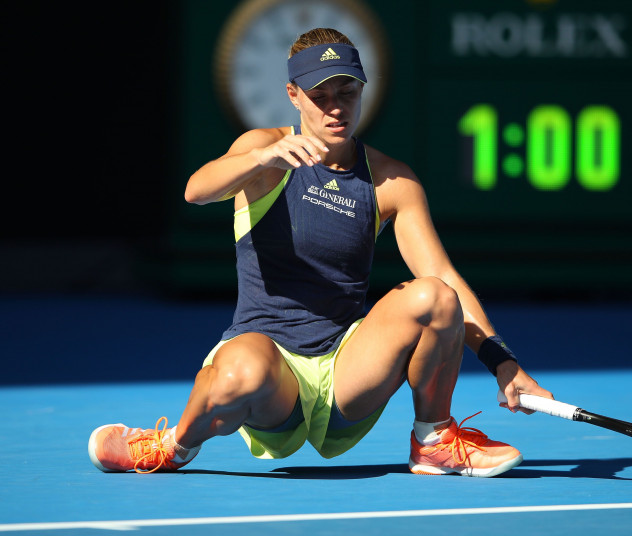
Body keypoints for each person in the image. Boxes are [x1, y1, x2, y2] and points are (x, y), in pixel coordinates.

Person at [87, 27, 553, 478]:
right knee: (236, 374)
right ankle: (170, 447)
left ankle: (433, 441)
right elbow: (196, 191)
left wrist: (502, 362)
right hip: (271, 371)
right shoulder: (263, 152)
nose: (335, 108)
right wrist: (262, 159)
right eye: (319, 96)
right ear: (293, 95)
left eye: (346, 93)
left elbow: (443, 275)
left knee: (434, 297)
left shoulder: (393, 181)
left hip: (348, 372)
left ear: (361, 92)